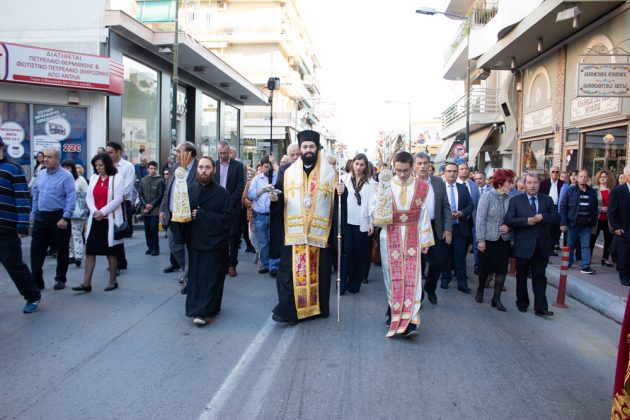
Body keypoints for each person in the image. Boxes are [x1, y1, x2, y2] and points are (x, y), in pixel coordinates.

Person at [270, 130, 342, 323]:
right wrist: (275, 199)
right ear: (300, 149)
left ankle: (316, 309)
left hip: (319, 234)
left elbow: (338, 206)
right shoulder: (287, 172)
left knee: (318, 272)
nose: (308, 150)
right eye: (305, 147)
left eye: (311, 147)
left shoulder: (330, 174)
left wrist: (343, 193)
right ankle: (289, 310)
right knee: (289, 273)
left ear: (317, 149)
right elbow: (280, 196)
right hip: (293, 232)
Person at [372, 151, 434, 338]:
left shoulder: (422, 187)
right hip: (390, 236)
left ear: (412, 167)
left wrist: (426, 240)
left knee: (413, 279)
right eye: (398, 170)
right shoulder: (385, 186)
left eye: (405, 170)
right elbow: (377, 215)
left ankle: (411, 321)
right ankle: (393, 312)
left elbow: (424, 214)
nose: (401, 175)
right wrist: (379, 209)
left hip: (413, 237)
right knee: (392, 277)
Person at [180, 156, 233, 326]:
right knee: (196, 278)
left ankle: (203, 312)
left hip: (214, 244)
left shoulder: (222, 193)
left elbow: (227, 219)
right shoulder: (190, 190)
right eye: (201, 167)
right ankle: (199, 308)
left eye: (207, 167)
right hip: (195, 242)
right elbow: (182, 214)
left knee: (211, 278)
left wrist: (202, 215)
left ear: (214, 170)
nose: (204, 170)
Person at [505, 172, 558, 316]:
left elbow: (556, 217)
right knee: (521, 277)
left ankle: (541, 307)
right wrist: (525, 221)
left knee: (540, 277)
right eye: (529, 182)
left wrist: (543, 217)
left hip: (542, 246)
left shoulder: (547, 200)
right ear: (524, 184)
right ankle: (522, 302)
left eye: (535, 182)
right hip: (523, 246)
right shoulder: (516, 200)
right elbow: (509, 219)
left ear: (539, 184)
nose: (532, 185)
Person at [71, 153, 124, 293]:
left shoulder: (117, 177)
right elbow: (88, 198)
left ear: (107, 164)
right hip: (95, 220)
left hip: (109, 220)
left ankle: (113, 281)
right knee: (90, 251)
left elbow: (118, 199)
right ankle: (86, 283)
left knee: (110, 252)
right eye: (96, 166)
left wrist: (103, 211)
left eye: (101, 165)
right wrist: (95, 211)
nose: (98, 168)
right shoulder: (94, 178)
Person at [0, 137, 42, 313]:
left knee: (13, 264)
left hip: (7, 227)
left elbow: (22, 198)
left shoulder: (13, 168)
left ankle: (32, 295)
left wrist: (23, 224)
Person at [30, 145, 76, 290]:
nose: (46, 159)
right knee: (36, 250)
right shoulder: (41, 174)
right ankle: (37, 280)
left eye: (49, 157)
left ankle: (60, 278)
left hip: (58, 216)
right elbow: (36, 194)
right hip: (41, 217)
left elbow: (71, 197)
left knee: (62, 249)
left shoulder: (66, 176)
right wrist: (33, 213)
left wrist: (65, 217)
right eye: (45, 156)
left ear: (57, 158)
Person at [414, 152, 452, 305]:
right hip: (415, 230)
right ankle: (419, 294)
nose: (423, 166)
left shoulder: (438, 182)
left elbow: (445, 206)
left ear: (430, 165)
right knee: (418, 265)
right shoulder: (410, 183)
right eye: (419, 163)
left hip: (435, 227)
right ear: (414, 166)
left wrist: (448, 228)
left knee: (437, 262)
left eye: (425, 163)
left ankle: (430, 287)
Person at [475, 169, 515, 311]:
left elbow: (512, 220)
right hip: (488, 239)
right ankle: (480, 289)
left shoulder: (510, 199)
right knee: (484, 269)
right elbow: (480, 219)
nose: (511, 185)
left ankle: (496, 298)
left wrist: (509, 227)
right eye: (509, 182)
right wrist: (480, 239)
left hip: (503, 240)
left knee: (501, 270)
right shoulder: (487, 196)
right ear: (500, 182)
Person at [160, 142, 199, 286]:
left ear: (188, 154)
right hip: (173, 216)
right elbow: (168, 190)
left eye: (178, 151)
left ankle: (190, 279)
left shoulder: (199, 168)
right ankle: (186, 270)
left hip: (190, 218)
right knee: (174, 245)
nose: (175, 154)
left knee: (189, 249)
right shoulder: (175, 167)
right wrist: (163, 210)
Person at [340, 153, 375, 294]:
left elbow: (373, 204)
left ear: (365, 166)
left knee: (359, 255)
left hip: (362, 223)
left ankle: (354, 285)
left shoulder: (371, 183)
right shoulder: (343, 180)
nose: (358, 167)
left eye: (361, 164)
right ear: (352, 164)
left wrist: (372, 222)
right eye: (356, 164)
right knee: (346, 253)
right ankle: (341, 284)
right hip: (346, 221)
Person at [441, 162, 474, 293]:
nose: (452, 174)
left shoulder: (463, 188)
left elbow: (471, 205)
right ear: (444, 173)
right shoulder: (440, 188)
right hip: (444, 228)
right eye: (449, 171)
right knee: (446, 255)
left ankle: (462, 283)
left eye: (454, 171)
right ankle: (445, 279)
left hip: (460, 227)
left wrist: (462, 213)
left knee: (460, 256)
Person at [215, 140, 245, 277]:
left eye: (225, 153)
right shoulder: (214, 166)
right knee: (219, 236)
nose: (223, 156)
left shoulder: (238, 166)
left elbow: (240, 186)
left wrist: (228, 201)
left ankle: (232, 264)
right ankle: (221, 263)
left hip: (233, 207)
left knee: (233, 236)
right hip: (217, 207)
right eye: (220, 153)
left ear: (229, 151)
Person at [560, 169, 598, 274]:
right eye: (581, 176)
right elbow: (563, 207)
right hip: (573, 222)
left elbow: (595, 209)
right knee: (570, 244)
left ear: (588, 178)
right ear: (577, 178)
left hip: (587, 223)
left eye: (585, 177)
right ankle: (568, 263)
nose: (583, 178)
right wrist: (563, 223)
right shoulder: (570, 191)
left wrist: (594, 224)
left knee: (586, 245)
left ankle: (585, 266)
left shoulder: (592, 192)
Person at [269, 143, 301, 268]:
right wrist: (275, 197)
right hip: (288, 212)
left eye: (297, 154)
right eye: (292, 155)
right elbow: (280, 189)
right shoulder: (284, 169)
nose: (295, 157)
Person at [247, 155, 279, 276]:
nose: (268, 169)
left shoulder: (277, 176)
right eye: (266, 167)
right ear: (261, 167)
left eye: (270, 166)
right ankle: (265, 264)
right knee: (263, 241)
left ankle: (274, 265)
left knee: (274, 240)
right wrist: (262, 190)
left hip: (274, 215)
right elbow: (250, 195)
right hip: (260, 215)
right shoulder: (256, 179)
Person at [106, 142, 135, 271]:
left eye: (111, 152)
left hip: (123, 203)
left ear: (119, 152)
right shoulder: (106, 166)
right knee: (110, 232)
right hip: (108, 203)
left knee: (118, 231)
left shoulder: (128, 166)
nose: (108, 155)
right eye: (107, 152)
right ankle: (119, 260)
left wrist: (114, 198)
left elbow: (127, 188)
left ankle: (119, 262)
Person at [62, 159, 89, 268]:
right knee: (68, 235)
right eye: (64, 167)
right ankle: (71, 255)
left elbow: (86, 195)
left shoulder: (80, 180)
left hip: (78, 211)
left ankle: (78, 255)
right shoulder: (61, 179)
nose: (66, 170)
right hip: (65, 211)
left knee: (77, 234)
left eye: (68, 167)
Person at [608, 165, 630, 286]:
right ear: (626, 176)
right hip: (623, 228)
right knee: (624, 253)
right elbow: (612, 211)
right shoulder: (618, 191)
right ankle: (624, 276)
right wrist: (615, 227)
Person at [457, 162, 481, 274]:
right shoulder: (453, 184)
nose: (464, 171)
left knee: (475, 244)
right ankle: (457, 269)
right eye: (461, 169)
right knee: (461, 247)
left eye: (466, 168)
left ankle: (477, 267)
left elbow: (478, 203)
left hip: (473, 220)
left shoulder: (474, 185)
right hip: (459, 220)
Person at [139, 161, 164, 256]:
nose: (153, 170)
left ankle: (155, 248)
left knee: (154, 228)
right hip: (145, 209)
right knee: (147, 229)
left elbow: (160, 195)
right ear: (147, 169)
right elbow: (140, 194)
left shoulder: (160, 181)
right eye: (151, 168)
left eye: (154, 168)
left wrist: (151, 205)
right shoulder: (143, 180)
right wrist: (145, 205)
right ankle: (149, 247)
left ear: (156, 169)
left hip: (155, 209)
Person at [591, 170, 614, 267]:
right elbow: (591, 204)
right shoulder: (594, 190)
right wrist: (600, 209)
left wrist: (609, 209)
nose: (603, 178)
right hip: (597, 218)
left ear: (608, 178)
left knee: (608, 239)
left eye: (605, 176)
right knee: (592, 238)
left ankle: (605, 258)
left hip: (608, 219)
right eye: (601, 177)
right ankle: (588, 258)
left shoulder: (612, 190)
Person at [539, 165, 564, 254]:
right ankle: (546, 248)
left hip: (557, 207)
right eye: (553, 171)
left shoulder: (562, 184)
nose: (555, 173)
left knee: (556, 229)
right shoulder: (543, 183)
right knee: (547, 228)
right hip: (547, 208)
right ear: (550, 173)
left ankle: (552, 247)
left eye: (557, 172)